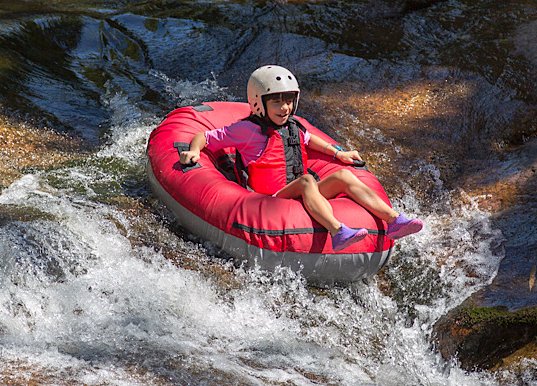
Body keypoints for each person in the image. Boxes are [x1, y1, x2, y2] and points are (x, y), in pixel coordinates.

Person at [178, 65, 423, 251]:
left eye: (288, 101)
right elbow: (205, 136)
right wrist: (195, 150)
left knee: (343, 176)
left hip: (300, 191)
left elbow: (310, 140)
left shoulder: (293, 126)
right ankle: (337, 231)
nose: (284, 108)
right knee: (307, 181)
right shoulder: (246, 130)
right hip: (271, 199)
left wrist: (339, 153)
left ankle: (393, 220)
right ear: (258, 103)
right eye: (276, 102)